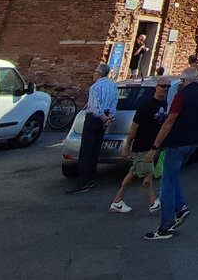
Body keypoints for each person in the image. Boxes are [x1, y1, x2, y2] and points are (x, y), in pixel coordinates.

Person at [143, 67, 198, 241]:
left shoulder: (181, 96)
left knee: (167, 184)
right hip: (192, 142)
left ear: (185, 80)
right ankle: (180, 208)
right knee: (172, 176)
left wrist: (155, 147)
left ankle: (165, 227)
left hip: (176, 142)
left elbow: (169, 122)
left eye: (181, 81)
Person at [109, 79, 168, 214]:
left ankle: (117, 201)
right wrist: (127, 146)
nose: (165, 89)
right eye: (162, 86)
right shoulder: (145, 106)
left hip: (153, 145)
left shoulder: (164, 104)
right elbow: (134, 127)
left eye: (168, 86)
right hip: (142, 145)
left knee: (133, 172)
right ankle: (153, 202)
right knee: (148, 172)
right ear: (156, 87)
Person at [67, 62, 118, 194]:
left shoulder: (95, 87)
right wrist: (109, 117)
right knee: (95, 149)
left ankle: (83, 181)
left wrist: (102, 118)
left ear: (98, 74)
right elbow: (114, 103)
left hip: (94, 119)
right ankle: (91, 178)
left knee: (86, 150)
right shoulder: (113, 86)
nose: (93, 75)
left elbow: (95, 106)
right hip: (105, 118)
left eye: (95, 72)